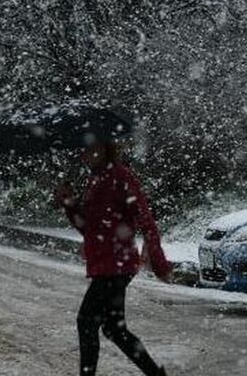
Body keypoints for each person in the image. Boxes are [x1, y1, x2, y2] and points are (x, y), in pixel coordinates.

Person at [54, 140, 172, 376]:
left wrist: (159, 262)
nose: (84, 154)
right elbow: (90, 228)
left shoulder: (120, 176)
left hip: (117, 265)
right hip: (105, 265)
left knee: (86, 321)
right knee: (113, 328)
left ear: (104, 149)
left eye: (90, 148)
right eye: (83, 149)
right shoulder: (95, 179)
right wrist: (70, 204)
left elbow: (146, 219)